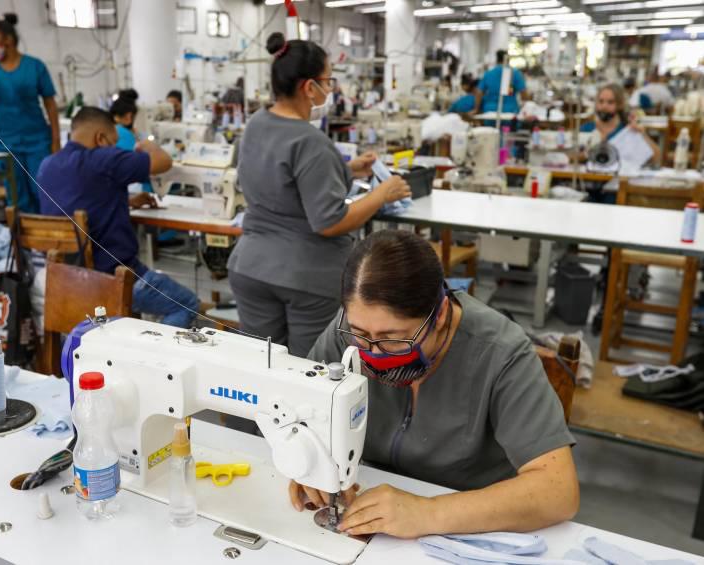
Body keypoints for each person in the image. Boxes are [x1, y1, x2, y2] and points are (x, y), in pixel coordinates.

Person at [290, 230, 579, 537]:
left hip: (468, 523)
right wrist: (309, 463)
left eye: (393, 340)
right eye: (360, 334)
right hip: (371, 502)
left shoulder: (500, 353)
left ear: (439, 315)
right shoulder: (349, 331)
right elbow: (301, 412)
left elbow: (557, 491)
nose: (373, 355)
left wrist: (428, 512)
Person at [227, 32, 411, 357]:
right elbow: (329, 222)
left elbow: (280, 177)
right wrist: (382, 193)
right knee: (308, 374)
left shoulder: (256, 124)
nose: (329, 89)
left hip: (250, 267)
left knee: (260, 368)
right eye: (327, 81)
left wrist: (347, 169)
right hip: (303, 277)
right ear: (308, 87)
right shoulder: (311, 142)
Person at [36, 107, 199, 328]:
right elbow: (163, 161)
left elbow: (82, 199)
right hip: (114, 280)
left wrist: (127, 201)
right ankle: (144, 359)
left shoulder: (47, 166)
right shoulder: (104, 158)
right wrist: (145, 142)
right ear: (101, 139)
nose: (114, 148)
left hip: (67, 283)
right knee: (186, 304)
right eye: (113, 142)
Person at [0, 13, 60, 214]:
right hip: (2, 140)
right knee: (17, 194)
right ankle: (24, 242)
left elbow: (50, 105)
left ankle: (49, 239)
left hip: (36, 140)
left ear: (8, 40)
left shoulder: (35, 66)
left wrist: (55, 140)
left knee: (43, 191)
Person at [580, 83, 661, 165]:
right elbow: (570, 156)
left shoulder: (627, 131)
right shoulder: (586, 129)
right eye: (601, 101)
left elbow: (656, 158)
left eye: (610, 102)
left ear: (619, 105)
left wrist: (642, 135)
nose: (604, 106)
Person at [474, 50, 528, 116]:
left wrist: (476, 109)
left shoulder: (488, 74)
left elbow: (479, 92)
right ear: (508, 59)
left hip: (490, 112)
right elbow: (523, 93)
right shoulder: (515, 73)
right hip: (510, 111)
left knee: (490, 126)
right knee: (507, 126)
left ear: (497, 59)